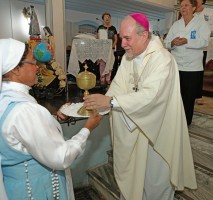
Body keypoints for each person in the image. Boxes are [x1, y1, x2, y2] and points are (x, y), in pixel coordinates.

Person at [84, 13, 197, 200]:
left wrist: (111, 102)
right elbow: (117, 87)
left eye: (127, 38)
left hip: (158, 134)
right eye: (121, 38)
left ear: (144, 35)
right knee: (136, 183)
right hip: (136, 128)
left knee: (155, 185)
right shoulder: (130, 57)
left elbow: (152, 96)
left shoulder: (163, 59)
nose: (122, 44)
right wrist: (99, 105)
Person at [0, 38, 103, 200]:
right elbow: (61, 157)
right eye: (32, 62)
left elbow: (21, 133)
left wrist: (54, 117)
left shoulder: (6, 99)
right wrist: (87, 128)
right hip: (36, 190)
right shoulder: (25, 110)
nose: (37, 67)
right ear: (15, 70)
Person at [164, 0, 210, 125]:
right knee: (174, 96)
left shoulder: (201, 24)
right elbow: (166, 42)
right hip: (176, 65)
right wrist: (172, 43)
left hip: (192, 67)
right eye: (181, 6)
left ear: (194, 8)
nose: (183, 8)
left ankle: (185, 123)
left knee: (188, 98)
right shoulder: (176, 24)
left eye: (186, 5)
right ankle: (172, 121)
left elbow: (205, 42)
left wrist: (187, 41)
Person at [195, 0, 213, 105]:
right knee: (188, 70)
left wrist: (203, 28)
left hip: (202, 46)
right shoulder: (190, 11)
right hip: (189, 45)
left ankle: (198, 95)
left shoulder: (209, 11)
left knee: (199, 71)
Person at [97, 12, 118, 85]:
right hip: (102, 48)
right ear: (103, 19)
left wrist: (113, 46)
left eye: (108, 17)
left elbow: (116, 39)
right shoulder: (100, 28)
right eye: (105, 17)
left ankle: (108, 78)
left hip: (110, 49)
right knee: (102, 64)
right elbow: (97, 38)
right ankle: (102, 78)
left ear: (110, 18)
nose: (107, 18)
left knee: (110, 63)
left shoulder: (113, 28)